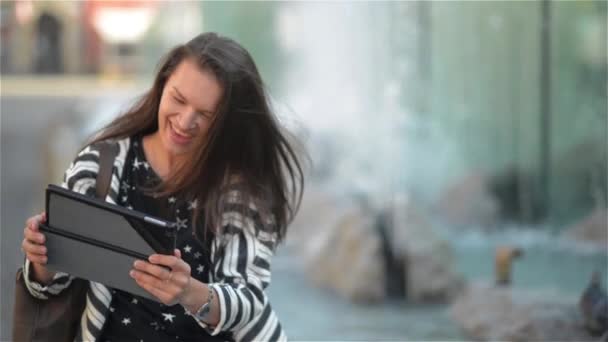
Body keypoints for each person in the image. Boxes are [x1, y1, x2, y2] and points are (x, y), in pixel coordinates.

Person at [20, 32, 304, 341]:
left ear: (228, 122)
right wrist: (41, 258)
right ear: (162, 86)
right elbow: (52, 282)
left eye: (205, 115)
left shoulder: (239, 188)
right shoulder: (101, 166)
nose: (184, 121)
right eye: (178, 99)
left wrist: (190, 292)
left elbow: (248, 299)